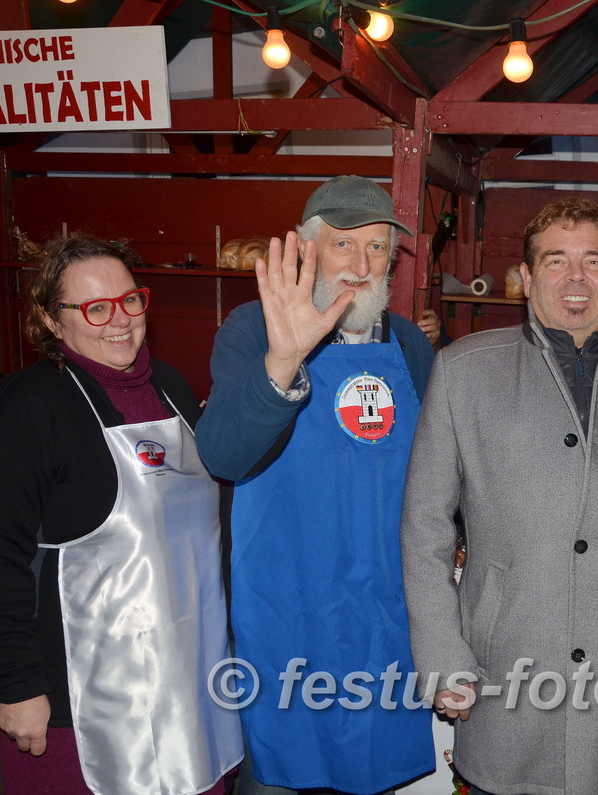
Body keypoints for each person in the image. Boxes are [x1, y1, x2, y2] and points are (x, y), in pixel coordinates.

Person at [400, 197, 598, 795]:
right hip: (506, 666)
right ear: (525, 276)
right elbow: (425, 524)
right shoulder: (464, 371)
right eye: (556, 261)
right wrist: (442, 656)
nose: (576, 278)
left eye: (593, 261)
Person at [0, 233, 242, 795]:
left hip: (193, 677)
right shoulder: (25, 410)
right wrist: (15, 686)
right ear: (50, 319)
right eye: (94, 307)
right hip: (82, 702)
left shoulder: (172, 387)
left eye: (130, 299)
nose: (120, 320)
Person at [194, 176, 435, 794]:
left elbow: (436, 477)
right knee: (279, 770)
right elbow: (223, 455)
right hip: (287, 608)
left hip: (381, 610)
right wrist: (283, 361)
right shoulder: (255, 330)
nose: (361, 265)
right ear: (307, 250)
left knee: (371, 770)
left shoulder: (408, 344)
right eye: (343, 244)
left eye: (377, 248)